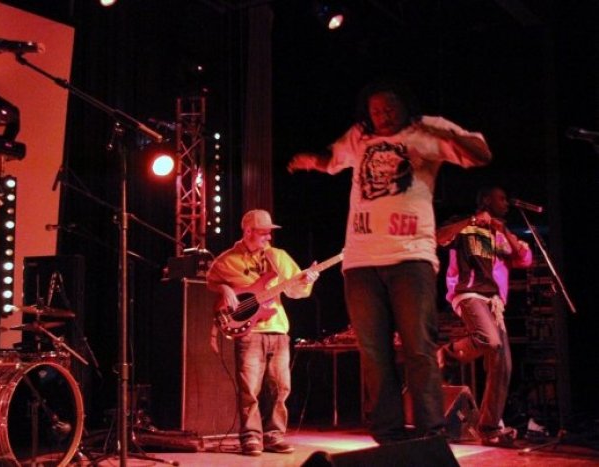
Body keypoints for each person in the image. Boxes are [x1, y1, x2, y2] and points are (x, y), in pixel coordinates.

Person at [287, 80, 492, 444]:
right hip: (361, 261)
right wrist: (311, 162)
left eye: (389, 108)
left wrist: (443, 132)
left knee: (418, 347)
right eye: (376, 110)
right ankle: (388, 435)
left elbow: (480, 155)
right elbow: (331, 160)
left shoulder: (426, 129)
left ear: (405, 105)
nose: (383, 116)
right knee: (374, 352)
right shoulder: (360, 136)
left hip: (411, 257)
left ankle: (430, 434)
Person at [206, 209, 319, 456]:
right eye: (263, 233)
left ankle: (273, 435)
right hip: (249, 331)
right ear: (248, 231)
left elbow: (295, 291)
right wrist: (224, 287)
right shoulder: (227, 260)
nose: (268, 237)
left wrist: (307, 280)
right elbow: (210, 280)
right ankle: (251, 437)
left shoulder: (278, 257)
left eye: (269, 233)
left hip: (277, 327)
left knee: (280, 388)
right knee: (250, 389)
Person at [436, 186, 532, 447]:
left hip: (494, 302)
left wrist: (504, 231)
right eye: (501, 198)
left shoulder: (500, 234)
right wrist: (472, 220)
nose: (507, 203)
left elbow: (524, 258)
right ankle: (447, 353)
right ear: (487, 200)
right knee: (490, 341)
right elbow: (439, 237)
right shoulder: (465, 226)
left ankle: (489, 428)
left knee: (504, 364)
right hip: (468, 294)